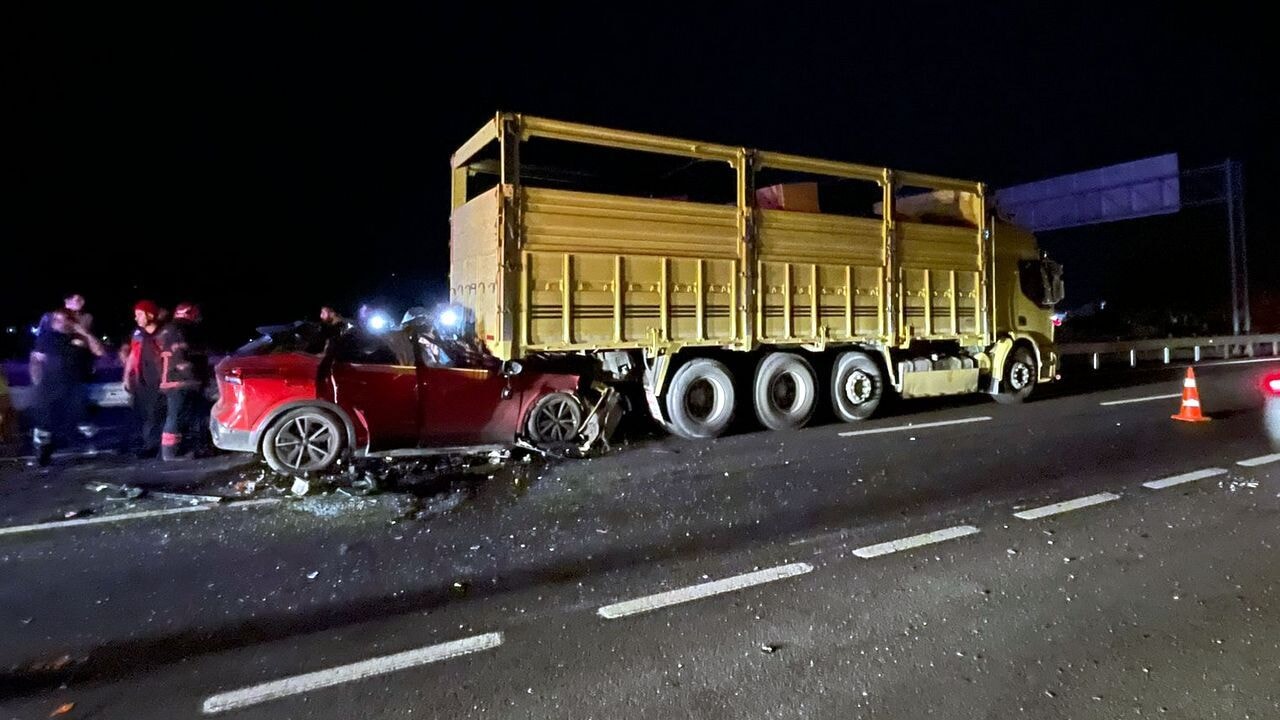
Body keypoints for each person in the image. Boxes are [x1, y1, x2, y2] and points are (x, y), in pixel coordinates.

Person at [29, 309, 105, 466]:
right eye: (56, 320)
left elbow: (99, 351)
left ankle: (93, 445)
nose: (58, 323)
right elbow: (35, 359)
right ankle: (43, 453)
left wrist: (84, 332)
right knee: (45, 422)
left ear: (71, 321)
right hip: (49, 385)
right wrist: (36, 379)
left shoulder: (79, 338)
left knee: (80, 418)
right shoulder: (46, 338)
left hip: (73, 385)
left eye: (62, 319)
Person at [158, 303, 211, 461]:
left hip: (180, 381)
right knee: (175, 417)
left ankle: (183, 449)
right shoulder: (181, 330)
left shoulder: (172, 328)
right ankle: (170, 453)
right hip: (181, 381)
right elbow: (181, 354)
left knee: (182, 417)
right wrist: (194, 377)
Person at [122, 300, 166, 458]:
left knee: (157, 414)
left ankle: (157, 446)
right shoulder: (138, 334)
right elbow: (133, 355)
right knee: (145, 414)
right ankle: (149, 445)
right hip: (142, 380)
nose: (136, 318)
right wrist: (127, 376)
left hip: (160, 380)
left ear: (150, 314)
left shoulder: (163, 333)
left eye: (139, 314)